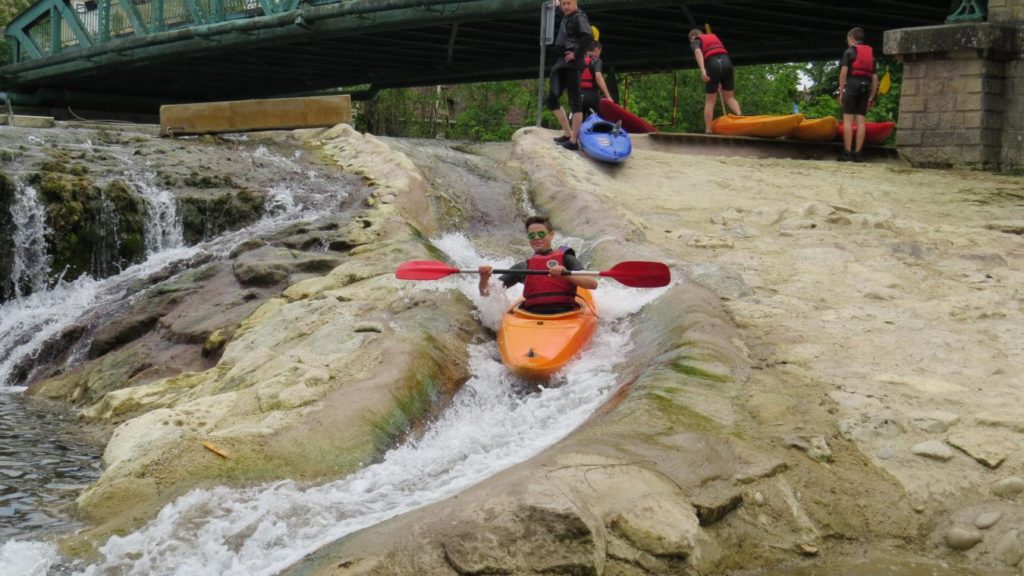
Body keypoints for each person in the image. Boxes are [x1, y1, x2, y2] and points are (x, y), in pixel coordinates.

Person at [478, 215, 598, 314]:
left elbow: (592, 283)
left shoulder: (567, 259)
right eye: (532, 235)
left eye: (541, 234)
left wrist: (565, 274)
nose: (536, 238)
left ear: (551, 234)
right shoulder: (523, 267)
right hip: (531, 317)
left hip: (567, 314)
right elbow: (487, 293)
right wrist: (484, 278)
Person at [547, 0, 593, 151]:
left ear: (576, 3)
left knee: (574, 100)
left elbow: (588, 36)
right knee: (552, 97)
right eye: (563, 4)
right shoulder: (567, 16)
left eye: (569, 3)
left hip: (572, 64)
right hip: (562, 63)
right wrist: (556, 2)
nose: (565, 6)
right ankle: (567, 134)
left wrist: (576, 54)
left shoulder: (579, 17)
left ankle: (574, 140)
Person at [837, 27, 879, 162]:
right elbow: (875, 79)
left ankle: (847, 153)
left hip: (853, 87)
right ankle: (859, 154)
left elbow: (843, 74)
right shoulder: (871, 56)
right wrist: (872, 96)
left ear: (852, 39)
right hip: (865, 88)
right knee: (861, 122)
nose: (847, 42)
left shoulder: (849, 52)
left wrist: (841, 92)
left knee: (848, 121)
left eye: (848, 40)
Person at [688, 29, 742, 134]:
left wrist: (703, 71)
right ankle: (741, 116)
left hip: (712, 65)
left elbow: (698, 51)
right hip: (727, 63)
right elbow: (719, 58)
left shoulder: (695, 41)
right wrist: (719, 81)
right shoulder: (713, 37)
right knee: (730, 97)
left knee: (710, 101)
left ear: (693, 37)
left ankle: (708, 130)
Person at [579, 41, 615, 118]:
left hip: (579, 95)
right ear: (596, 49)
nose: (599, 54)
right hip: (592, 96)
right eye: (600, 52)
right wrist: (608, 96)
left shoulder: (579, 59)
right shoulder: (596, 61)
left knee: (577, 123)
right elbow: (598, 77)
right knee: (598, 119)